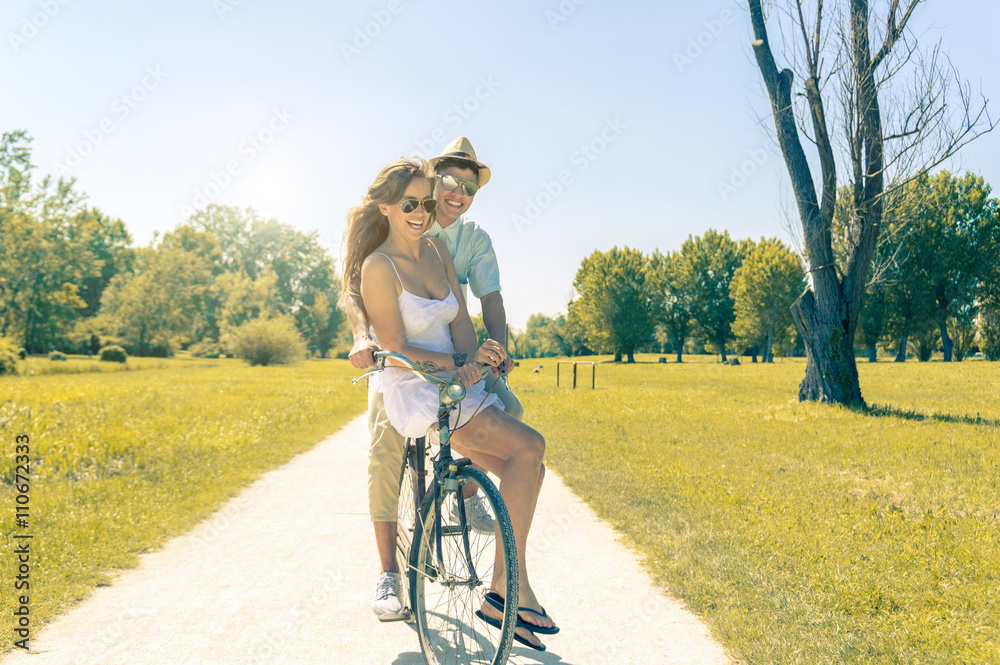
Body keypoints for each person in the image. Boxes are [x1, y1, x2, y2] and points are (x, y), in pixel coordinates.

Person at [342, 157, 557, 650]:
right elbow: (395, 349)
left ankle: (508, 587)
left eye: (424, 203)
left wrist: (477, 356)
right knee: (529, 446)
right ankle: (502, 589)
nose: (420, 212)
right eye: (409, 204)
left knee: (532, 466)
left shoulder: (438, 250)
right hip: (415, 386)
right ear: (387, 208)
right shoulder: (379, 265)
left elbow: (463, 322)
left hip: (455, 382)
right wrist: (452, 366)